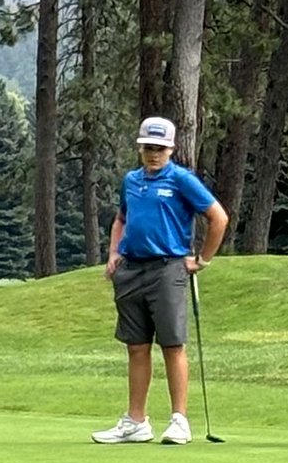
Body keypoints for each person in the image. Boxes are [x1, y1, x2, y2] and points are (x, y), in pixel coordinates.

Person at [95, 114, 226, 444]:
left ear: (170, 149)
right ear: (140, 148)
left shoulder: (181, 179)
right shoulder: (131, 180)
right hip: (131, 270)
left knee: (172, 345)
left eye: (160, 148)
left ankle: (179, 420)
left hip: (167, 268)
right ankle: (136, 422)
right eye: (148, 148)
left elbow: (218, 217)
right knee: (136, 347)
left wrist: (203, 260)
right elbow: (121, 219)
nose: (154, 154)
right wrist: (113, 253)